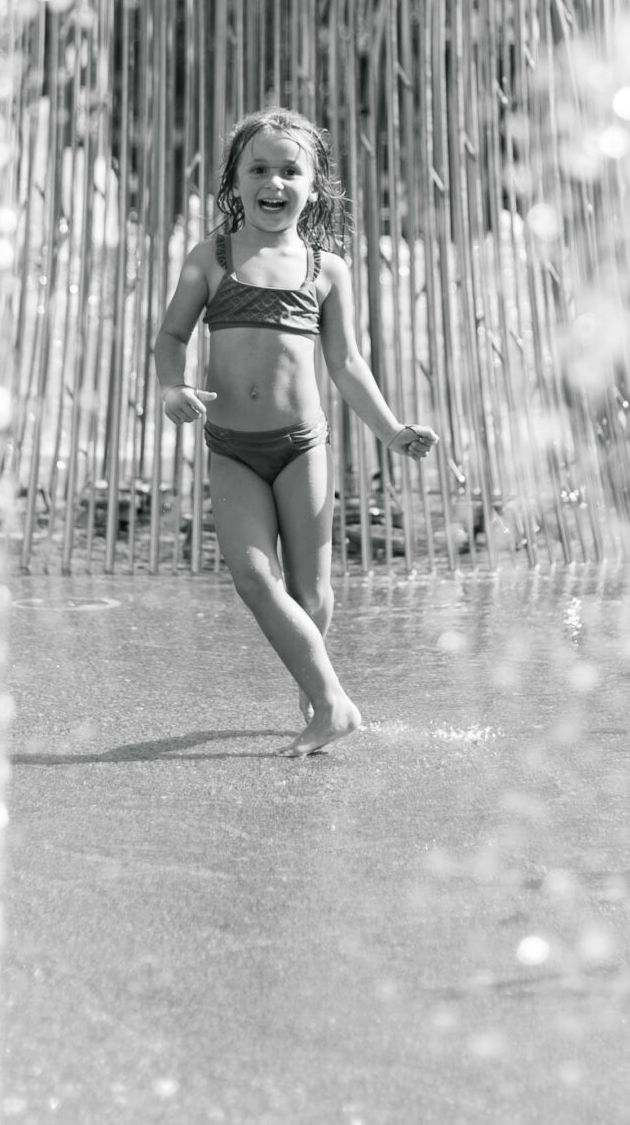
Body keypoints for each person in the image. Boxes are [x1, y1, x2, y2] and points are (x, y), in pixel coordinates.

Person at [153, 108, 439, 755]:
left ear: (314, 186)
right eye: (259, 169)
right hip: (233, 449)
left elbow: (346, 363)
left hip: (300, 447)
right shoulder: (213, 258)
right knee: (255, 580)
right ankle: (333, 704)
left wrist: (392, 432)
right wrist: (173, 388)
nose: (274, 182)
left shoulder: (325, 268)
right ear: (236, 180)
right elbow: (171, 337)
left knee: (312, 591)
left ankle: (318, 699)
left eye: (291, 170)